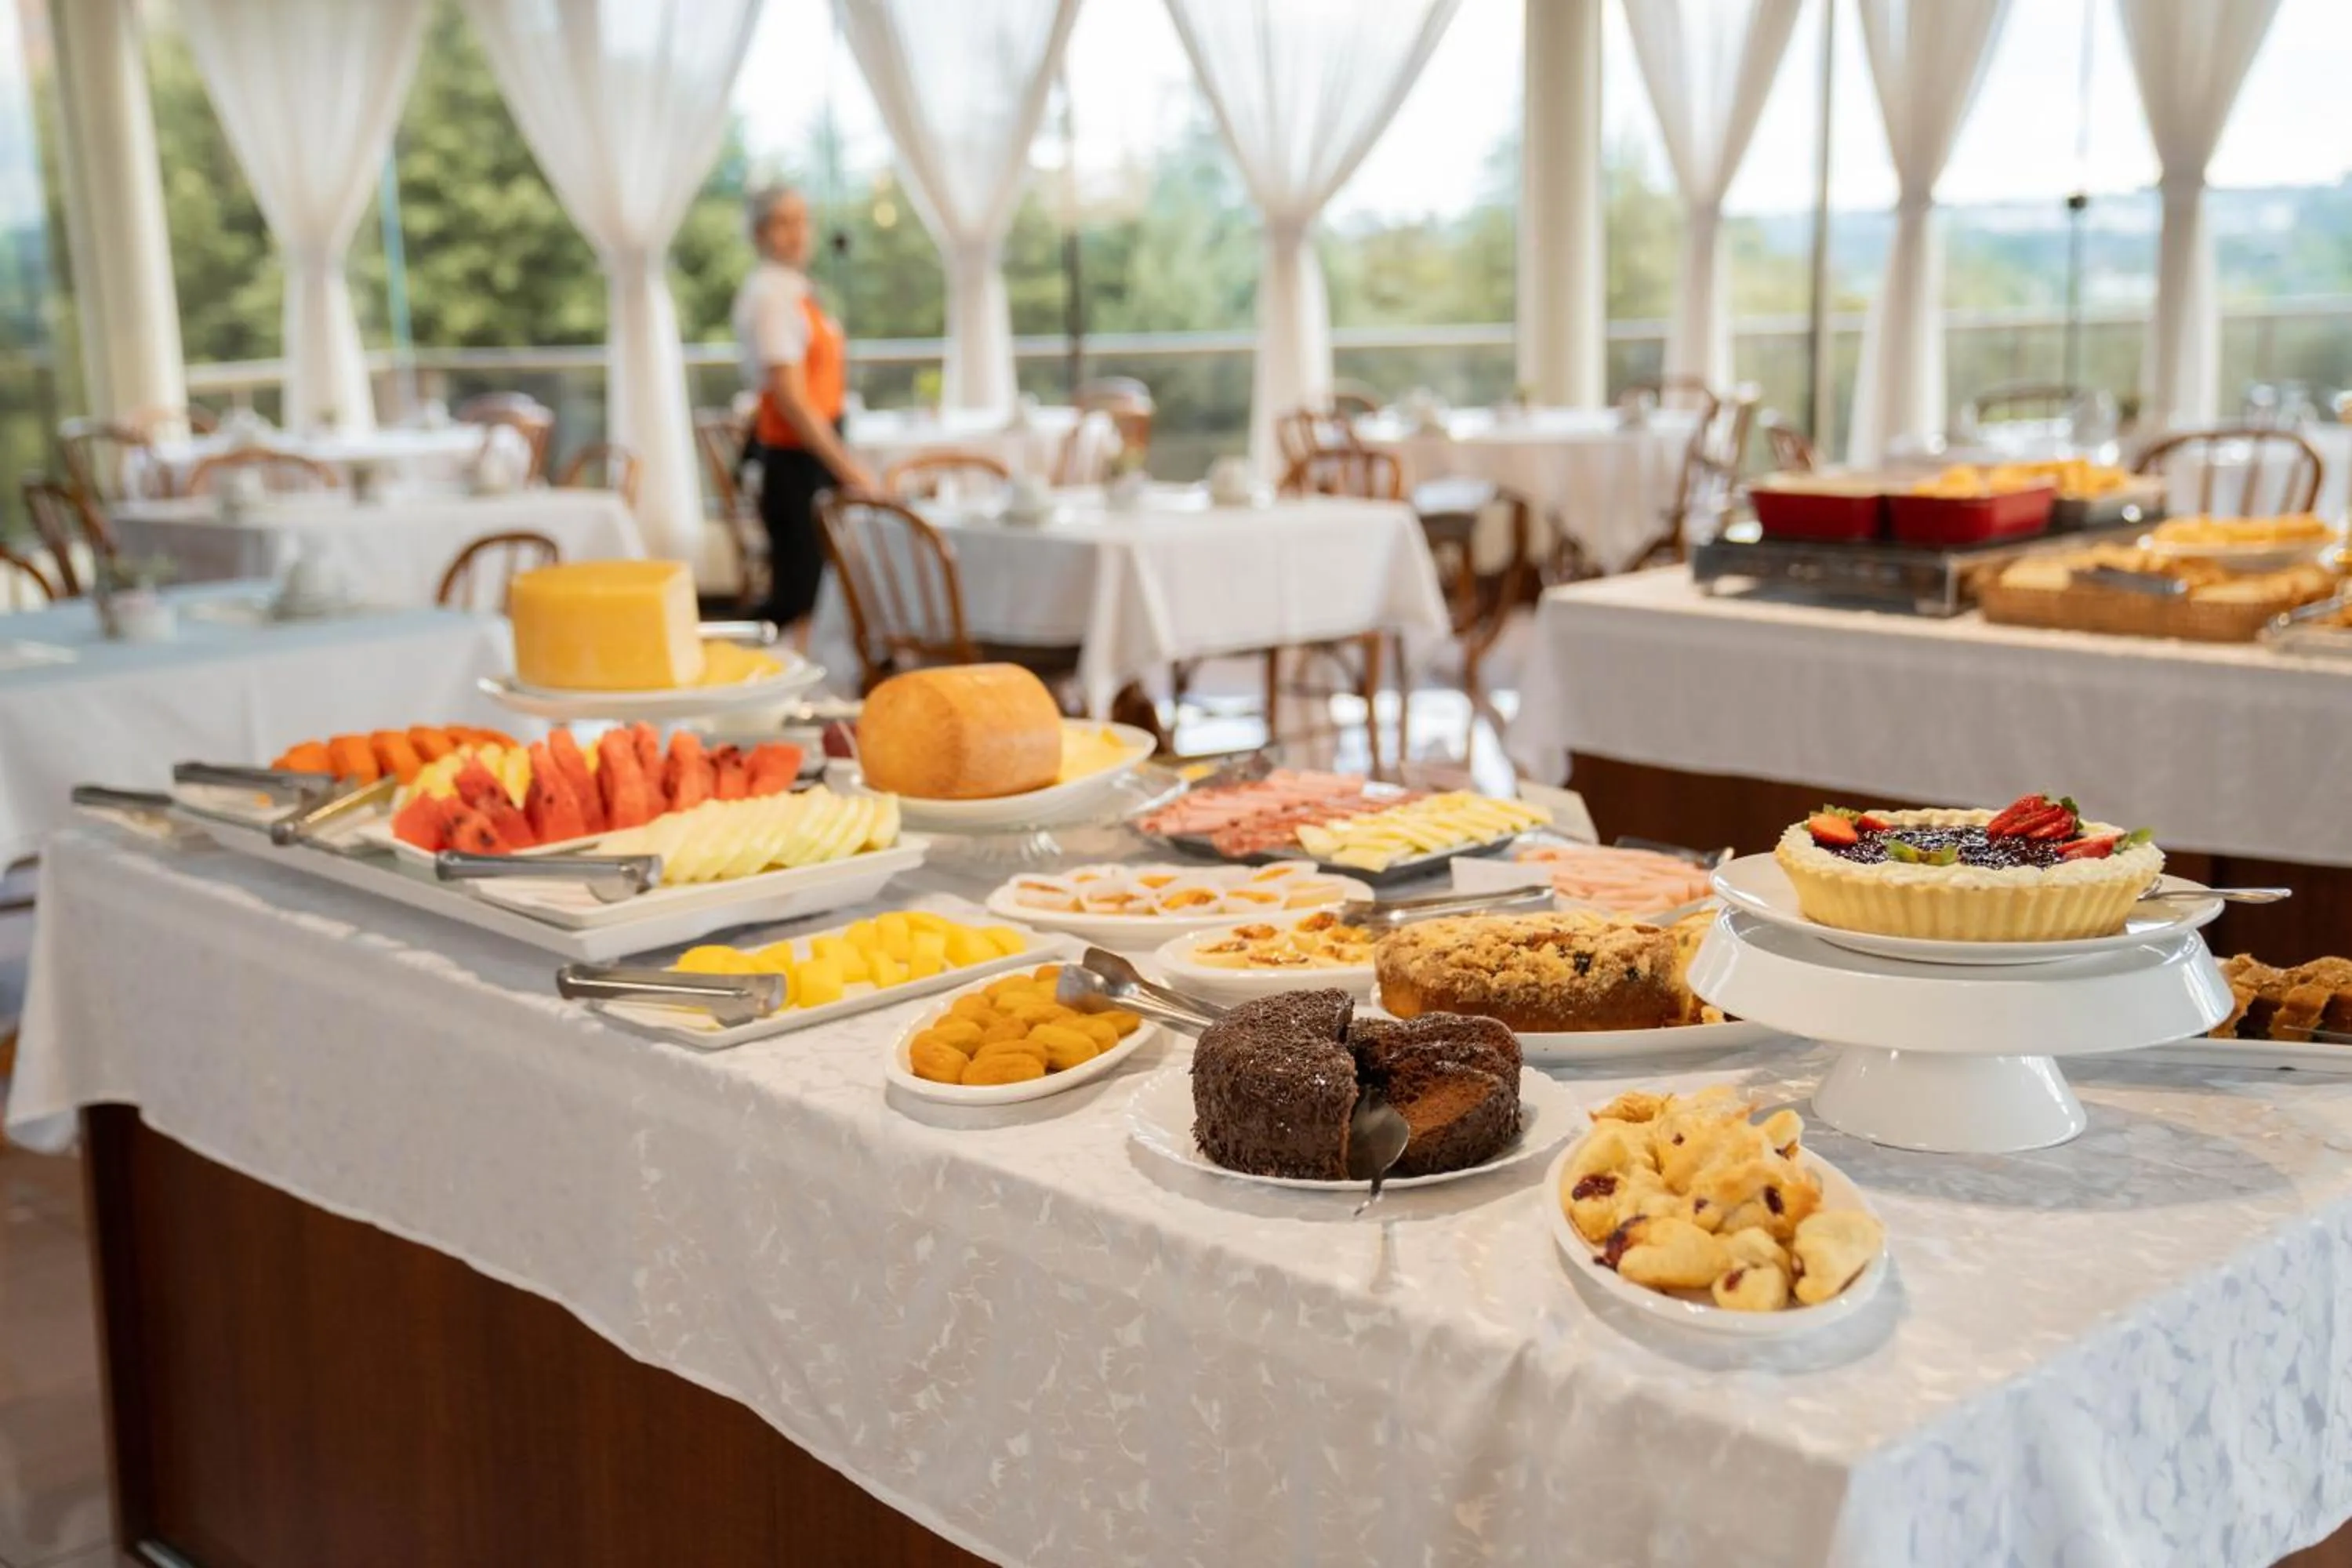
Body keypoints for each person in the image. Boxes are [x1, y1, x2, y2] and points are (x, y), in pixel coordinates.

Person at [731, 186, 873, 636]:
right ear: (759, 233)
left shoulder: (797, 291)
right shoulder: (771, 296)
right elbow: (793, 401)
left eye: (802, 220)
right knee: (803, 597)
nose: (797, 233)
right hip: (795, 460)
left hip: (811, 456)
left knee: (822, 592)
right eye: (783, 222)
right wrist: (852, 471)